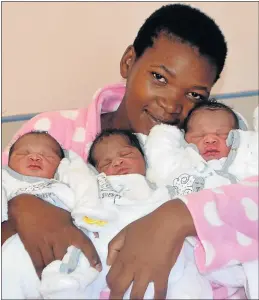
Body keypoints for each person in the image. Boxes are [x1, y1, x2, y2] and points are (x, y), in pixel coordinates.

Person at [2, 3, 257, 299]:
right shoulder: (53, 132)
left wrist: (176, 218)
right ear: (128, 62)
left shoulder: (208, 144)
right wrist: (22, 207)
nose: (172, 105)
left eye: (194, 95)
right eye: (160, 77)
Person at [2, 131, 102, 299]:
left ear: (61, 164)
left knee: (79, 279)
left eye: (47, 155)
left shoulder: (65, 183)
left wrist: (90, 216)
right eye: (23, 153)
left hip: (62, 259)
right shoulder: (5, 178)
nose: (34, 157)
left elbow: (87, 193)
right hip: (12, 255)